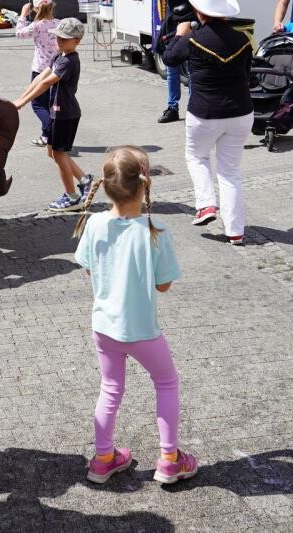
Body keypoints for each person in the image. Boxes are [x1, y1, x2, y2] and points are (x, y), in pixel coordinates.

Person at [72, 145, 194, 486]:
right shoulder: (155, 231)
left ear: (107, 185)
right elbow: (164, 285)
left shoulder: (94, 223)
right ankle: (170, 459)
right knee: (166, 383)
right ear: (145, 184)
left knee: (110, 389)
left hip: (104, 327)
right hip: (141, 329)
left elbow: (88, 268)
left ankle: (103, 458)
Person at [163, 0, 253, 245]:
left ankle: (206, 205)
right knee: (230, 172)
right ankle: (235, 231)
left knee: (196, 156)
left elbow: (169, 59)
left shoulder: (192, 39)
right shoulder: (243, 40)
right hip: (240, 111)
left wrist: (180, 34)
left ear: (199, 12)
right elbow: (247, 74)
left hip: (205, 112)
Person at [14, 17, 91, 212]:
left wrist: (22, 103)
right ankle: (84, 179)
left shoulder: (69, 61)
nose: (60, 42)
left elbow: (46, 83)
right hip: (57, 113)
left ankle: (72, 197)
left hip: (66, 114)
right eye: (58, 38)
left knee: (58, 154)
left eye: (65, 39)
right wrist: (20, 98)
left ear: (77, 41)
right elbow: (40, 77)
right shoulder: (59, 56)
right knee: (53, 152)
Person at [155, 0, 210, 123]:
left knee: (192, 66)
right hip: (172, 22)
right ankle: (172, 108)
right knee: (172, 66)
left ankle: (194, 107)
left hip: (193, 21)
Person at [14, 0, 59, 146]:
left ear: (35, 9)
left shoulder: (36, 26)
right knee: (51, 104)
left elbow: (19, 34)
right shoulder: (59, 23)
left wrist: (22, 15)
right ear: (52, 6)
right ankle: (46, 136)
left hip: (40, 70)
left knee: (38, 104)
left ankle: (51, 130)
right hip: (57, 69)